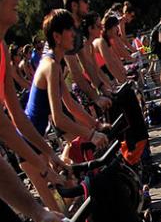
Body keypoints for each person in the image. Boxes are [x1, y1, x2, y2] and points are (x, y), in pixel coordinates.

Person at [0, 0, 71, 209]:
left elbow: (17, 117)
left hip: (27, 143)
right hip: (20, 152)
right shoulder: (49, 63)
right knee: (50, 217)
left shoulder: (1, 47)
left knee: (55, 216)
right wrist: (42, 165)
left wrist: (49, 156)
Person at [26, 10, 106, 155]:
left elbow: (71, 105)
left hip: (35, 138)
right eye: (69, 29)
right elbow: (58, 119)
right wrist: (91, 135)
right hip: (29, 143)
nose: (74, 34)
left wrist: (97, 125)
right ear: (57, 36)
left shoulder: (55, 63)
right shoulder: (51, 65)